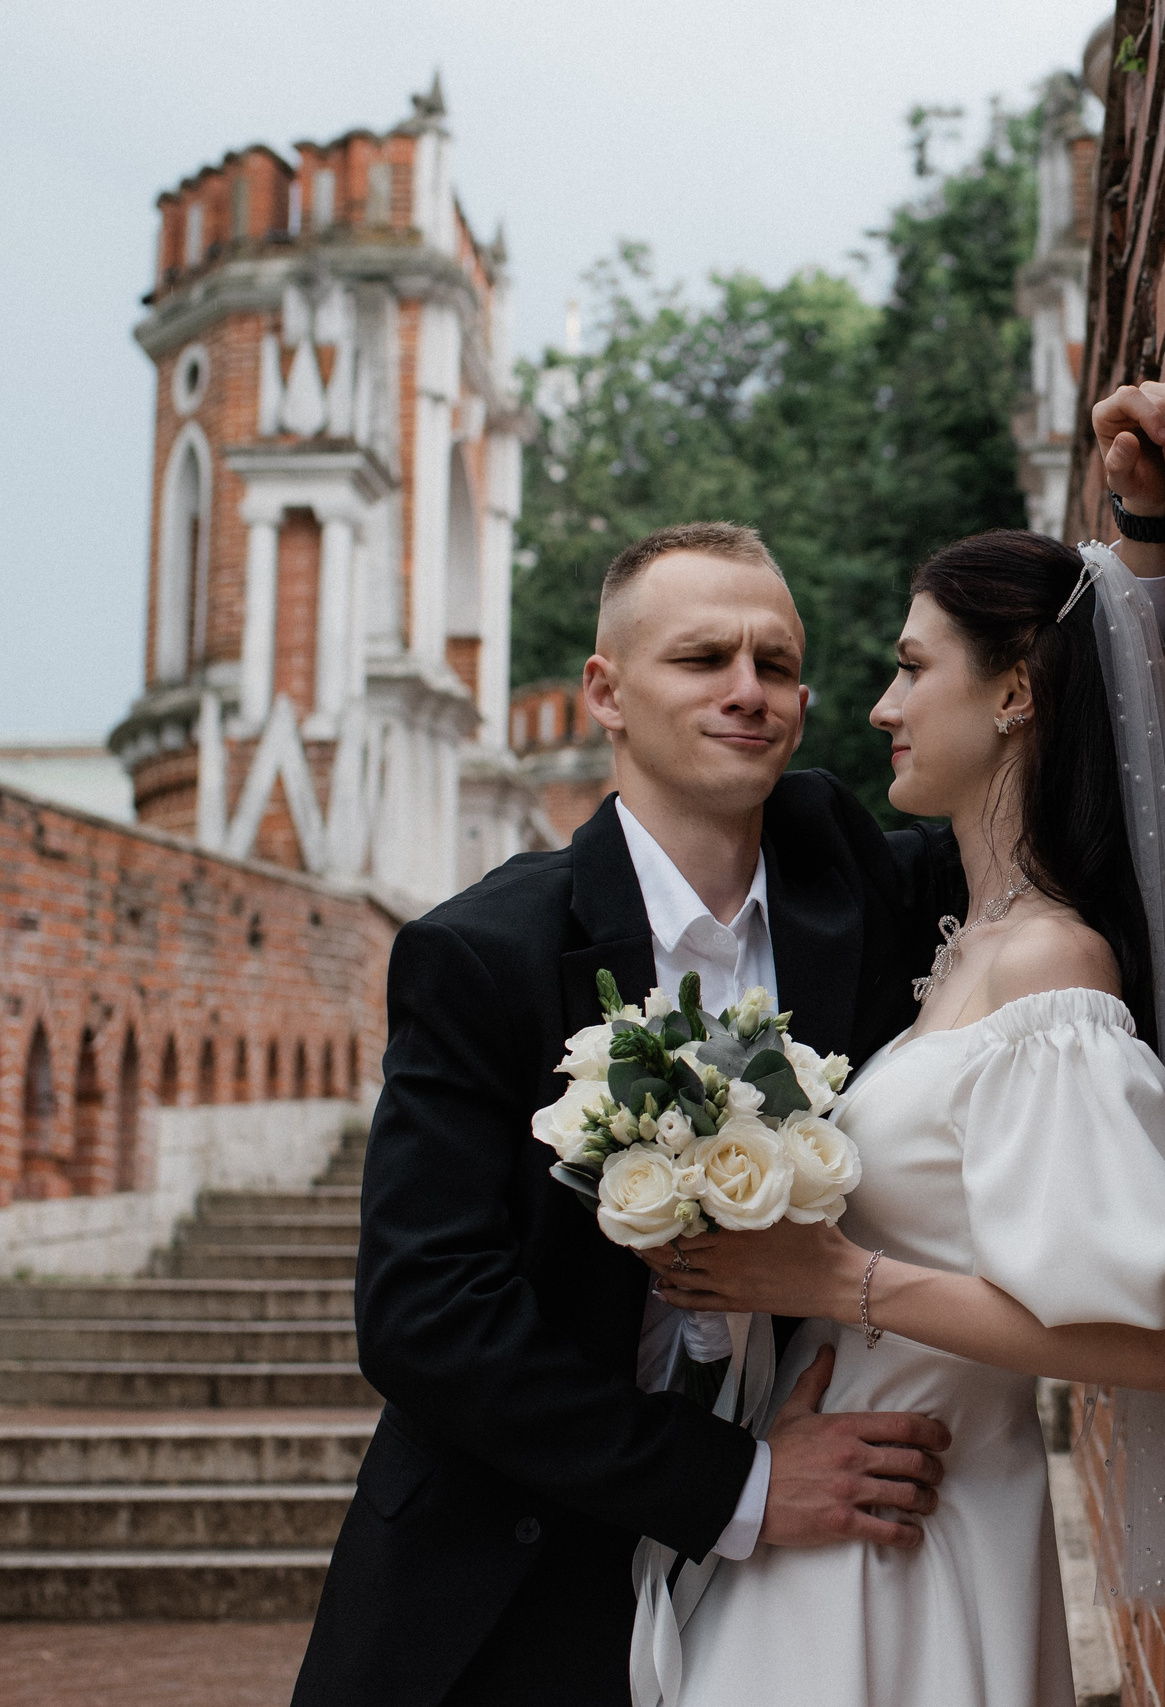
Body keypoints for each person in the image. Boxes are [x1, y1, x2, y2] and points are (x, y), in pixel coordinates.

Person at [630, 379, 1165, 1706]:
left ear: (1016, 690)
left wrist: (833, 1275)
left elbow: (1157, 1344)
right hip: (822, 1516)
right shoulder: (959, 938)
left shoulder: (1053, 973)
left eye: (913, 665)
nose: (876, 705)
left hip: (909, 1529)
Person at [293, 521, 969, 1707]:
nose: (748, 693)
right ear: (604, 692)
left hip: (823, 1592)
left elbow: (1069, 808)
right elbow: (423, 1314)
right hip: (516, 1570)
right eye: (704, 660)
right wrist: (739, 1487)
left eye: (776, 662)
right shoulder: (481, 954)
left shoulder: (867, 885)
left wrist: (1150, 554)